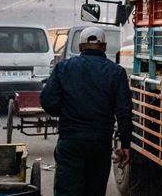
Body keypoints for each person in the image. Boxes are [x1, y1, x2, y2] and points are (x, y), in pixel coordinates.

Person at [41, 26, 132, 196]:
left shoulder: (63, 68)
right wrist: (125, 144)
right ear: (104, 47)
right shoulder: (116, 72)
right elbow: (124, 111)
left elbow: (47, 101)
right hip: (100, 142)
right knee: (95, 189)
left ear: (80, 47)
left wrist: (67, 113)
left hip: (71, 140)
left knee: (67, 189)